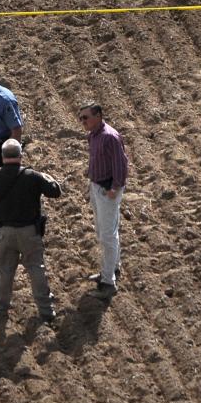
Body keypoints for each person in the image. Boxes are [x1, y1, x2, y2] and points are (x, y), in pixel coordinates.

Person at [0, 139, 61, 322]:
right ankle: (46, 311)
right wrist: (48, 177)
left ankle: (1, 307)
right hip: (29, 232)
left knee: (5, 272)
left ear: (2, 157)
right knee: (36, 269)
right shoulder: (32, 176)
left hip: (4, 232)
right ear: (21, 156)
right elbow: (55, 192)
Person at [80, 103, 128, 299]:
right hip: (97, 186)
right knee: (102, 231)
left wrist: (114, 188)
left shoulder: (110, 136)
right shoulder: (94, 135)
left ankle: (108, 282)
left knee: (108, 235)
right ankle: (113, 268)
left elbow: (121, 164)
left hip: (108, 189)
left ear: (98, 115)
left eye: (86, 117)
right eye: (81, 118)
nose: (83, 122)